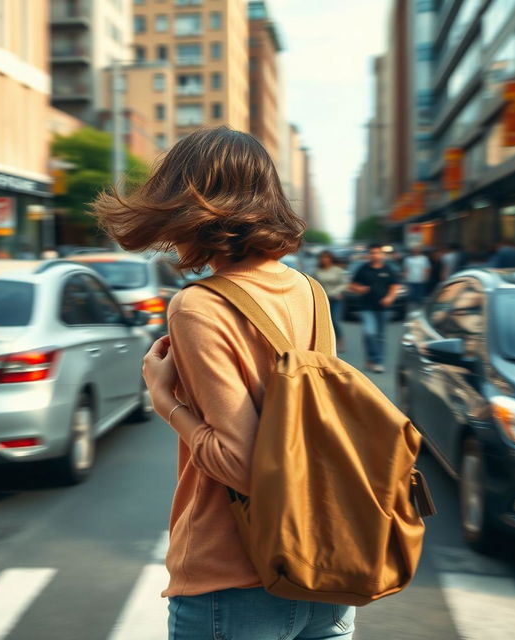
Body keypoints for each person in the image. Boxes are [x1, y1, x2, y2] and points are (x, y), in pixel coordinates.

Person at [92, 127, 356, 640]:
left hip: (234, 581)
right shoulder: (310, 291)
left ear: (191, 208)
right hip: (327, 568)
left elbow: (240, 463)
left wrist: (165, 400)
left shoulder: (199, 305)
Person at [349, 243, 399, 374]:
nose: (375, 255)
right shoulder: (363, 269)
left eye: (377, 253)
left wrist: (390, 297)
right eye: (372, 253)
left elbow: (395, 286)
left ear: (382, 254)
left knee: (380, 336)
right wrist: (360, 289)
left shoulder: (388, 269)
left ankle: (378, 361)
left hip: (383, 307)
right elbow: (352, 285)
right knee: (369, 333)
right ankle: (373, 358)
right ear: (369, 255)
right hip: (367, 307)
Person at [314, 250, 348, 353]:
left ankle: (339, 340)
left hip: (336, 299)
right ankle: (324, 343)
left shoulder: (337, 270)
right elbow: (314, 283)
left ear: (331, 259)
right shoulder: (317, 271)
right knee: (322, 322)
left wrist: (337, 292)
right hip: (322, 299)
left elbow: (344, 284)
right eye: (323, 258)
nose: (325, 260)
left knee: (334, 320)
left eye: (327, 257)